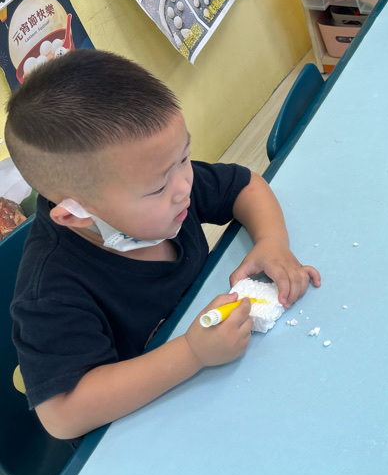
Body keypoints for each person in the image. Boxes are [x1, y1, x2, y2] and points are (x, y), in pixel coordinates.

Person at [5, 51, 321, 440]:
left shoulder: (166, 183)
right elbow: (63, 414)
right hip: (144, 428)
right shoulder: (50, 295)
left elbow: (246, 186)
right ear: (76, 214)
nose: (184, 186)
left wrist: (272, 240)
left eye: (184, 156)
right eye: (158, 187)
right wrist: (192, 353)